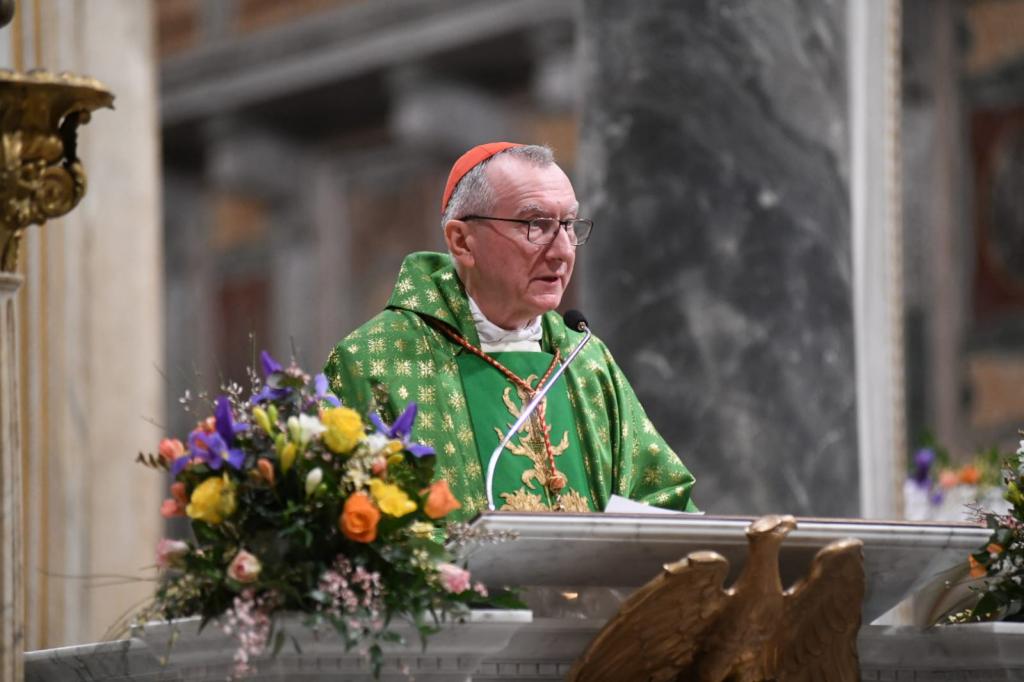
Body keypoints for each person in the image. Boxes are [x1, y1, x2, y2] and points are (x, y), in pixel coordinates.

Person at [324, 142, 696, 521]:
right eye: (536, 225)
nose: (562, 251)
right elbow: (350, 523)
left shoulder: (584, 359)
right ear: (462, 241)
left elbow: (661, 499)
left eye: (568, 225)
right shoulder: (378, 361)